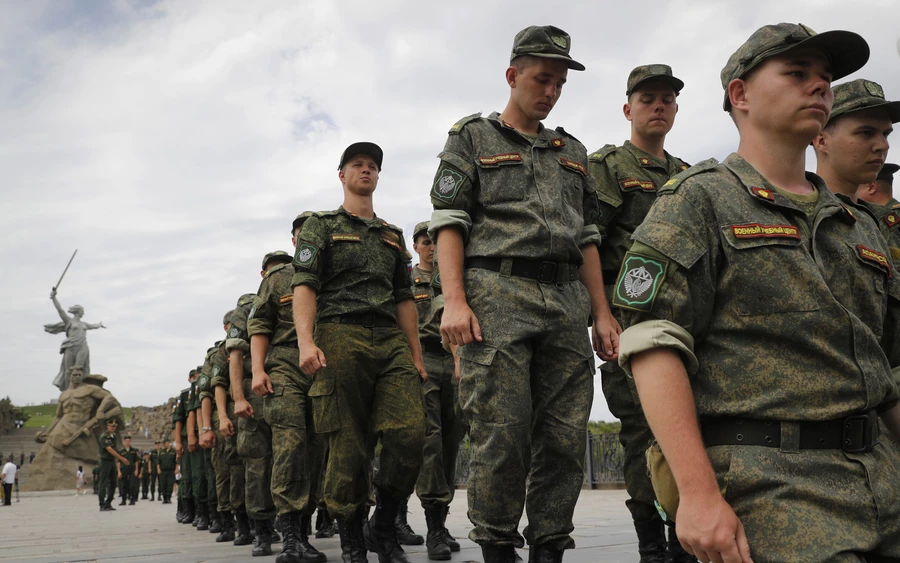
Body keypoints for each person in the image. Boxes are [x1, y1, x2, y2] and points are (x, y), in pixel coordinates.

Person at [615, 23, 900, 562]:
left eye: (826, 78)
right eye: (796, 73)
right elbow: (653, 343)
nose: (819, 86)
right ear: (740, 95)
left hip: (880, 478)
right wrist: (697, 496)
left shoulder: (858, 225)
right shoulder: (700, 201)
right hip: (771, 486)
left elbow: (888, 372)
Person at [429, 26, 615, 563]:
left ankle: (550, 545)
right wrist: (455, 301)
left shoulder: (573, 152)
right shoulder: (472, 138)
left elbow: (588, 239)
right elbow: (450, 221)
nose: (552, 90)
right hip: (496, 295)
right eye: (542, 78)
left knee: (563, 438)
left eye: (559, 82)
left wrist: (602, 313)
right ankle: (496, 547)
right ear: (512, 76)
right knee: (502, 433)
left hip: (564, 300)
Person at [292, 141, 427, 563]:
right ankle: (353, 541)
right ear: (342, 175)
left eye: (372, 166)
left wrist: (416, 356)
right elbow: (305, 286)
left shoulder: (392, 235)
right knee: (348, 447)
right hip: (339, 336)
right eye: (357, 164)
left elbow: (405, 299)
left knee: (410, 434)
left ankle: (382, 525)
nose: (365, 170)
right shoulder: (320, 225)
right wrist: (305, 341)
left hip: (389, 340)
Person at [588, 65, 693, 563]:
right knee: (641, 431)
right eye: (648, 98)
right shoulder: (609, 166)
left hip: (687, 321)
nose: (659, 106)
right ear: (628, 109)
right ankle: (651, 539)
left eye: (667, 99)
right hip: (628, 320)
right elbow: (589, 239)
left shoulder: (688, 176)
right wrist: (601, 315)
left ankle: (683, 536)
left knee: (689, 426)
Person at [251, 236, 328, 561]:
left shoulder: (333, 273)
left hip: (325, 367)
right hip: (285, 364)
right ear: (296, 239)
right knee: (290, 446)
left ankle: (304, 529)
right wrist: (257, 370)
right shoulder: (277, 278)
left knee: (316, 449)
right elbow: (259, 324)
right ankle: (291, 536)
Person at [408, 221, 464, 560]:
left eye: (436, 242)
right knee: (430, 441)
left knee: (451, 443)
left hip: (453, 359)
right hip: (423, 361)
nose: (431, 247)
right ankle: (433, 528)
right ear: (416, 246)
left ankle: (441, 522)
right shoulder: (407, 279)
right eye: (426, 242)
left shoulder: (453, 278)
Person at [238, 251, 294, 549]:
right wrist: (237, 397)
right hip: (257, 392)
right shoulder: (247, 310)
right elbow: (235, 355)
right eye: (274, 269)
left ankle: (293, 526)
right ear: (263, 275)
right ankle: (261, 529)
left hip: (289, 381)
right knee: (259, 465)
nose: (280, 272)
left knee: (292, 455)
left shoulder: (301, 289)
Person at [813, 79, 899, 260]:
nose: (883, 145)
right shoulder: (801, 217)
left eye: (886, 134)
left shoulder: (886, 223)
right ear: (822, 141)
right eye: (866, 133)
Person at [44, 288, 106, 391]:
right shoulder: (69, 321)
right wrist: (54, 298)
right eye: (82, 311)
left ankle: (80, 390)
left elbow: (93, 326)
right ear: (78, 311)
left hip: (82, 346)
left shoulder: (84, 324)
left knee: (80, 368)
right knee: (68, 370)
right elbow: (60, 310)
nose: (83, 313)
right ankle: (68, 391)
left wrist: (99, 324)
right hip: (70, 346)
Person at [98, 419, 129, 511]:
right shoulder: (104, 437)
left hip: (112, 461)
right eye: (111, 426)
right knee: (103, 483)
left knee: (113, 483)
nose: (113, 428)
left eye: (114, 426)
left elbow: (115, 449)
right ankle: (102, 504)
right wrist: (122, 458)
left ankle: (108, 503)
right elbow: (110, 450)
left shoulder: (114, 436)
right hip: (105, 461)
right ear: (107, 426)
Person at [117, 435, 140, 505]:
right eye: (126, 441)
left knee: (132, 485)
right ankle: (123, 500)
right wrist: (119, 471)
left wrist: (136, 470)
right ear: (124, 442)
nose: (127, 442)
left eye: (129, 441)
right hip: (124, 469)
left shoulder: (134, 451)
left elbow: (136, 461)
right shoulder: (121, 451)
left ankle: (132, 500)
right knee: (123, 485)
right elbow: (118, 462)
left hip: (132, 469)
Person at [158, 437, 177, 504]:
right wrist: (158, 469)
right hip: (163, 471)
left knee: (170, 484)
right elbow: (158, 462)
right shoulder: (161, 451)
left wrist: (176, 469)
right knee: (163, 484)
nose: (164, 445)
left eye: (165, 443)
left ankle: (168, 498)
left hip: (171, 470)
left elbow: (176, 461)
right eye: (163, 443)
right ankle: (164, 498)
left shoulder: (173, 451)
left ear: (169, 443)